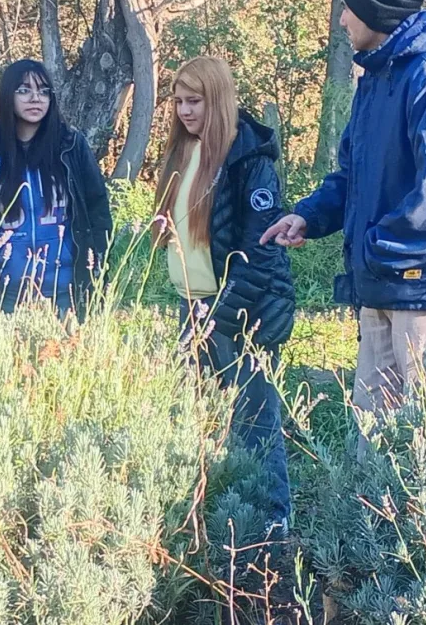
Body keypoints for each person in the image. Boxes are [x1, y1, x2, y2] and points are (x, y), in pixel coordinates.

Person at [260, 0, 426, 456]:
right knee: (374, 441)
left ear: (378, 10)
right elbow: (353, 175)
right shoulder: (378, 77)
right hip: (384, 282)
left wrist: (376, 248)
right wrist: (308, 215)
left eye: (348, 7)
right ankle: (374, 537)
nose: (341, 18)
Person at [156, 56, 295, 535]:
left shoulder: (250, 160)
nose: (184, 111)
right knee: (199, 415)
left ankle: (276, 518)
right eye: (177, 102)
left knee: (255, 416)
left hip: (245, 309)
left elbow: (261, 251)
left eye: (193, 101)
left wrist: (224, 311)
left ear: (218, 98)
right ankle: (216, 510)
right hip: (191, 304)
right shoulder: (185, 152)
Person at [0, 59, 112, 317]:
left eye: (43, 91)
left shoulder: (71, 147)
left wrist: (98, 264)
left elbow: (97, 208)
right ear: (7, 95)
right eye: (24, 90)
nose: (36, 98)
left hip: (65, 293)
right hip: (3, 297)